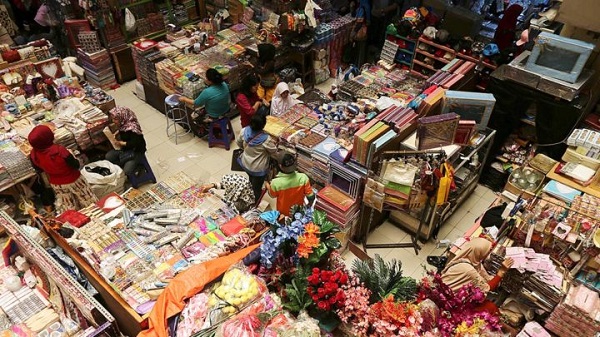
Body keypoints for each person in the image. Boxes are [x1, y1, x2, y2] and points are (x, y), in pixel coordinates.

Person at [28, 125, 97, 213]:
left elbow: (39, 169)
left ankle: (76, 221)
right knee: (87, 200)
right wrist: (73, 156)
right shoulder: (59, 151)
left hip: (57, 184)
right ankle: (94, 216)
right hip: (75, 181)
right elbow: (75, 165)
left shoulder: (33, 154)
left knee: (68, 205)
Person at [441, 237, 513, 312]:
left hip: (446, 296)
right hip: (450, 304)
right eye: (487, 252)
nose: (488, 255)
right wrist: (502, 271)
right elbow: (487, 288)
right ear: (478, 253)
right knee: (491, 307)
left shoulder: (466, 259)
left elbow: (483, 274)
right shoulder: (469, 270)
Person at [237, 113, 278, 201]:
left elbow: (239, 143)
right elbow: (274, 152)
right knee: (257, 188)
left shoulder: (244, 131)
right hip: (258, 168)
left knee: (251, 179)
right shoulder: (266, 139)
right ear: (263, 125)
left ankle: (250, 190)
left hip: (246, 163)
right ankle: (255, 201)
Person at [105, 107, 147, 176]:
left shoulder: (133, 129)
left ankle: (139, 167)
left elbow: (134, 143)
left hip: (136, 151)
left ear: (122, 117)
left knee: (127, 171)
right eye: (113, 119)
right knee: (109, 156)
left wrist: (120, 143)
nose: (113, 121)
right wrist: (116, 133)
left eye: (115, 119)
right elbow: (122, 130)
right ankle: (124, 161)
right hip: (126, 150)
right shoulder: (123, 124)